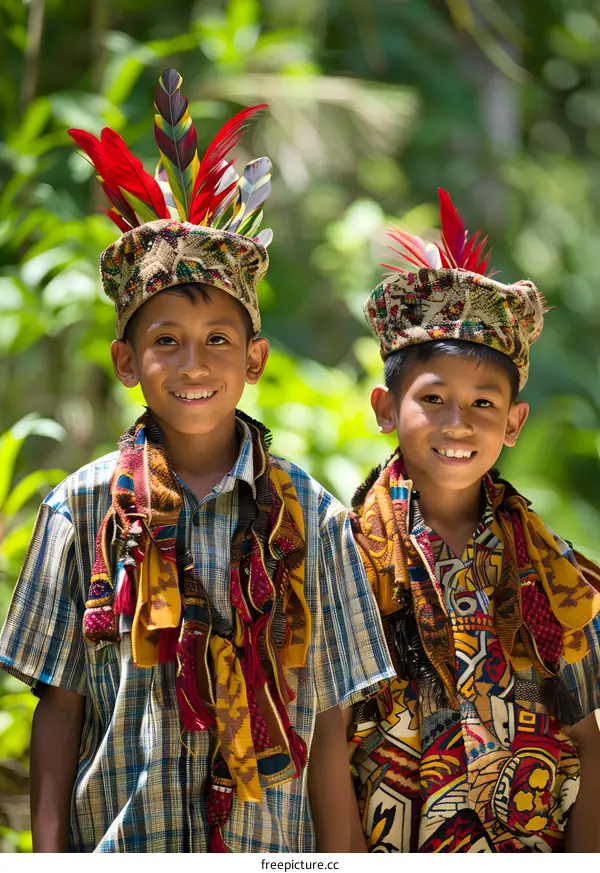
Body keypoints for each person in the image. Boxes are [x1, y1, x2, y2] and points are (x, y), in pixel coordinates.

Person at [0, 69, 393, 854]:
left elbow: (328, 725)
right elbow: (60, 711)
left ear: (255, 358)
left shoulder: (313, 522)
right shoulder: (79, 512)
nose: (193, 364)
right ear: (124, 359)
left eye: (218, 340)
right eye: (165, 341)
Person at [347, 188, 600, 853]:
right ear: (384, 407)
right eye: (433, 398)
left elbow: (588, 747)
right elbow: (323, 742)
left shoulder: (554, 576)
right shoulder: (344, 559)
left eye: (484, 402)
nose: (458, 424)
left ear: (514, 422)